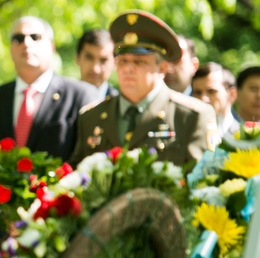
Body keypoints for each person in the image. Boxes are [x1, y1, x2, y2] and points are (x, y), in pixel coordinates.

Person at [71, 10, 218, 166]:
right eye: (122, 61)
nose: (128, 69)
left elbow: (204, 180)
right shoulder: (91, 116)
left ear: (161, 68)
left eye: (139, 62)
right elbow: (77, 174)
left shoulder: (191, 116)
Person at [0, 16, 97, 159]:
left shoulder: (80, 95)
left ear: (52, 47)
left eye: (35, 37)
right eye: (18, 38)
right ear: (11, 49)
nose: (26, 43)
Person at [191, 62, 239, 138]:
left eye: (211, 91)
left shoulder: (247, 138)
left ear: (232, 94)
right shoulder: (184, 136)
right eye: (198, 92)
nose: (203, 99)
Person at [75, 28, 117, 98]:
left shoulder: (121, 106)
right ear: (77, 58)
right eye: (89, 58)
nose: (95, 69)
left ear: (115, 63)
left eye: (103, 60)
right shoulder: (61, 100)